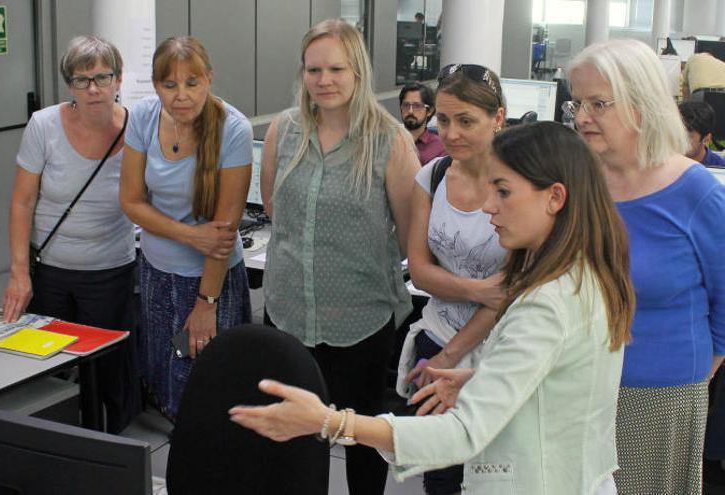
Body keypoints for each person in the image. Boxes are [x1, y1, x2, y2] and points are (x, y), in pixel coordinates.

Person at [232, 121, 634, 495]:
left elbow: (463, 433)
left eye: (504, 191)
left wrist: (332, 423)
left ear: (555, 197)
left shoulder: (545, 304)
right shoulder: (588, 274)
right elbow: (561, 377)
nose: (489, 206)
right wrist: (481, 377)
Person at [259, 19, 420, 494]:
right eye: (313, 70)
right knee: (292, 438)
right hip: (287, 312)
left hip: (359, 320)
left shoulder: (389, 141)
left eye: (335, 69)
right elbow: (274, 207)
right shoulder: (283, 131)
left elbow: (410, 238)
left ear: (358, 72)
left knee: (359, 436)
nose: (323, 80)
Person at [568, 38, 725, 494]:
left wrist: (698, 372)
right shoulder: (580, 182)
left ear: (640, 105)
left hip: (657, 394)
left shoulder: (695, 192)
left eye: (598, 104)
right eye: (577, 103)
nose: (580, 117)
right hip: (577, 382)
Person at [2, 35, 140, 433]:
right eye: (82, 80)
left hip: (111, 271)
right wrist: (18, 273)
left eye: (102, 77)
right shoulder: (44, 125)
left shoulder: (137, 129)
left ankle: (112, 444)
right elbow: (22, 203)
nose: (93, 88)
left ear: (119, 80)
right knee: (48, 367)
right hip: (51, 270)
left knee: (110, 368)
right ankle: (57, 439)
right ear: (69, 85)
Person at [119, 36, 253, 420]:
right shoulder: (143, 117)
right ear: (156, 85)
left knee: (203, 380)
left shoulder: (234, 130)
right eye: (170, 85)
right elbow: (129, 201)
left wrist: (205, 306)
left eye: (192, 83)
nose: (181, 95)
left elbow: (222, 236)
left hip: (208, 283)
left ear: (209, 79)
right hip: (158, 273)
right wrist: (191, 234)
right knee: (167, 374)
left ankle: (210, 463)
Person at [397, 63, 508, 495]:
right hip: (436, 337)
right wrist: (479, 290)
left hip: (494, 353)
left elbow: (511, 294)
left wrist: (451, 357)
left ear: (498, 117)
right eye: (443, 120)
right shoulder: (434, 175)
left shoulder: (521, 182)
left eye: (466, 121)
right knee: (440, 472)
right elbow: (420, 270)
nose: (452, 133)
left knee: (491, 470)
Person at [398, 81, 445, 164]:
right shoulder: (391, 141)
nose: (410, 111)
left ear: (429, 111)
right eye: (406, 105)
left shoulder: (440, 148)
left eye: (417, 106)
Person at [679, 100, 725, 166]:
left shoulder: (720, 169)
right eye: (677, 133)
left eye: (687, 136)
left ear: (706, 139)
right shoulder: (666, 163)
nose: (679, 140)